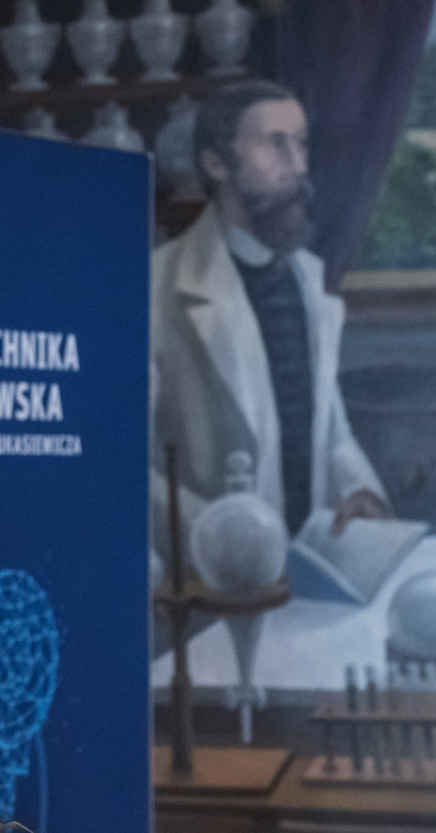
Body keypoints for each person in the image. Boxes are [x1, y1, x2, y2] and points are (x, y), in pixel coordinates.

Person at [150, 79, 387, 563]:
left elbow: (330, 431)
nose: (298, 167)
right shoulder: (153, 287)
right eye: (275, 145)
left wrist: (359, 491)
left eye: (301, 144)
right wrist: (222, 539)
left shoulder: (307, 279)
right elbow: (120, 462)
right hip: (206, 582)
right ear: (216, 164)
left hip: (309, 576)